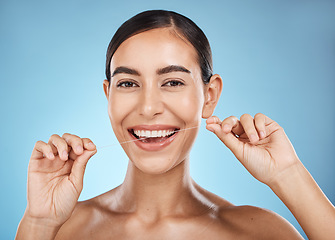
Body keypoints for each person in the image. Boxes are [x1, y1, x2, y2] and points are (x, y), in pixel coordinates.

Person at [16, 10, 335, 240]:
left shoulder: (262, 233)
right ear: (108, 94)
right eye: (128, 84)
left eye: (172, 82)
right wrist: (39, 224)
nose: (149, 107)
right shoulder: (58, 228)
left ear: (210, 96)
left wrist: (289, 174)